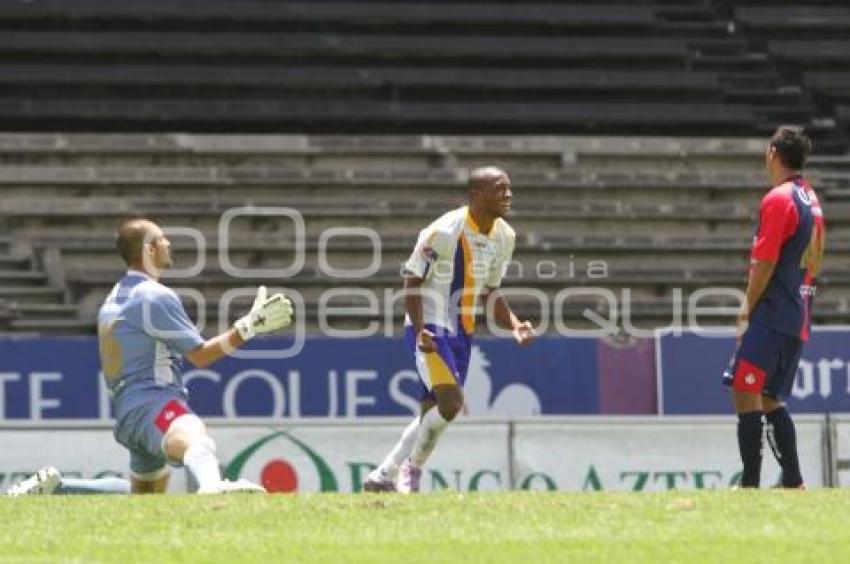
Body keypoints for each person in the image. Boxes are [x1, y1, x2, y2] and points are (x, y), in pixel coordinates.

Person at [6, 219, 293, 496]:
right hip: (154, 403)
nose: (169, 244)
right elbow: (201, 356)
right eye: (163, 238)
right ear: (150, 248)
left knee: (143, 500)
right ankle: (212, 488)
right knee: (196, 437)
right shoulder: (154, 296)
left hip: (127, 412)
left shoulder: (114, 298)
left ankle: (59, 488)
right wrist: (248, 327)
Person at [364, 167, 536, 493]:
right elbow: (411, 281)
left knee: (434, 412)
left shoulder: (505, 236)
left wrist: (514, 324)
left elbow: (490, 291)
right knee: (450, 404)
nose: (508, 195)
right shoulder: (444, 231)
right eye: (500, 189)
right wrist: (419, 331)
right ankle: (410, 473)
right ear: (476, 195)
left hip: (462, 333)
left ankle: (381, 477)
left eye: (509, 189)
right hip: (429, 327)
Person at [725, 126, 825, 488]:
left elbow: (764, 261)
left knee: (743, 386)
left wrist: (745, 307)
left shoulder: (779, 198)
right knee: (769, 396)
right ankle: (793, 480)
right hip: (797, 311)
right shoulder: (810, 198)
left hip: (773, 310)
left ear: (772, 154)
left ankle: (750, 483)